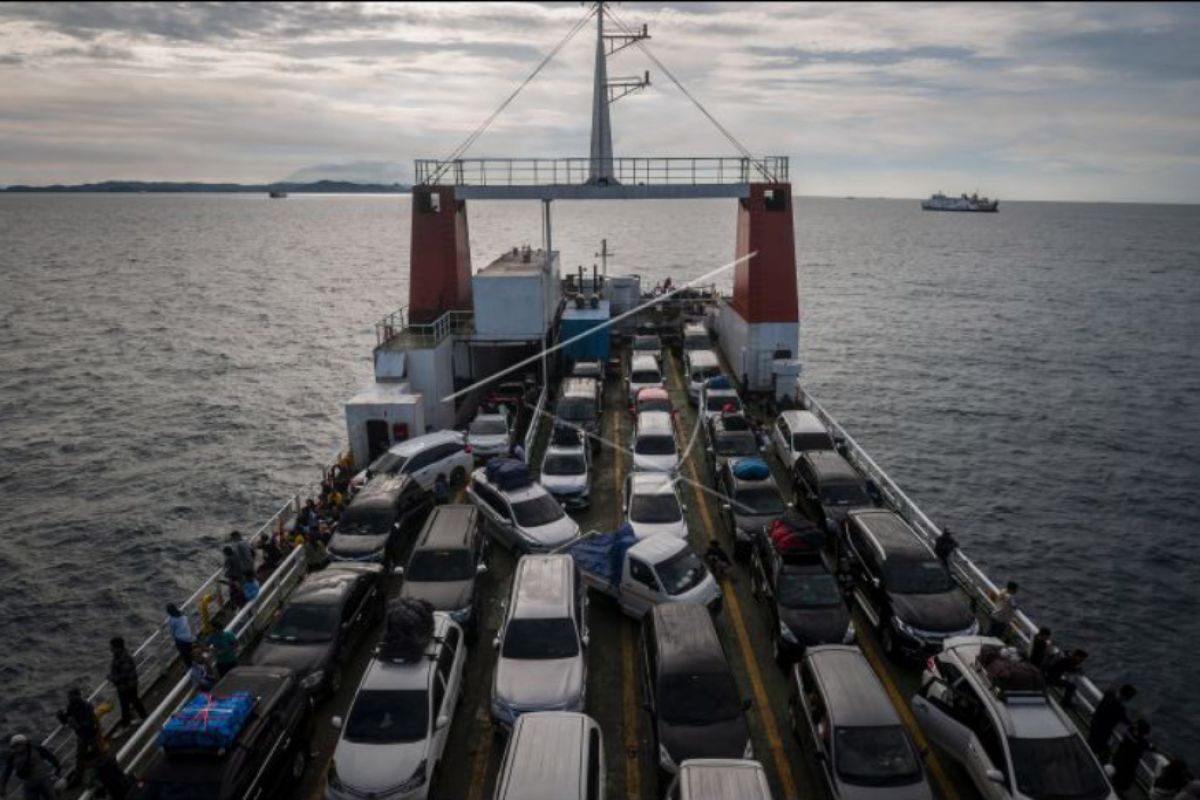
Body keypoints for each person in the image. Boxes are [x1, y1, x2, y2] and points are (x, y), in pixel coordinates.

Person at [57, 688, 103, 782]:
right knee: (80, 757)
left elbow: (91, 721)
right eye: (69, 696)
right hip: (81, 736)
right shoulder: (71, 707)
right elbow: (67, 720)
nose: (70, 698)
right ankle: (78, 777)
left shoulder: (86, 706)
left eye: (72, 696)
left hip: (91, 734)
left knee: (98, 754)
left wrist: (78, 725)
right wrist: (61, 717)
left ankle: (104, 771)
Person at [2, 734, 62, 800]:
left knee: (50, 797)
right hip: (28, 783)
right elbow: (7, 771)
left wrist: (58, 767)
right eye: (16, 746)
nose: (18, 747)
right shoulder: (12, 757)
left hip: (43, 780)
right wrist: (3, 785)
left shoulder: (36, 749)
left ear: (25, 743)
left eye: (20, 744)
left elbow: (50, 756)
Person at [107, 637, 147, 731]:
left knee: (125, 706)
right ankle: (144, 716)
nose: (110, 649)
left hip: (127, 686)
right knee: (135, 701)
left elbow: (124, 675)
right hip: (128, 684)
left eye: (112, 647)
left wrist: (112, 678)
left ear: (118, 647)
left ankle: (126, 726)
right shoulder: (121, 656)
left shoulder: (124, 658)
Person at [1089, 684, 1136, 758]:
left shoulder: (1110, 693)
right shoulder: (1119, 709)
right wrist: (1135, 724)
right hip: (1103, 731)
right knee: (1097, 749)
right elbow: (1125, 720)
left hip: (1095, 722)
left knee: (1090, 742)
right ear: (1126, 697)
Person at [1112, 719, 1154, 793]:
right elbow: (1151, 747)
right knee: (1123, 779)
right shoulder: (1141, 742)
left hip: (1119, 757)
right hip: (1129, 764)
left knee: (1116, 774)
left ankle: (1114, 786)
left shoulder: (1128, 732)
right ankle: (1118, 791)